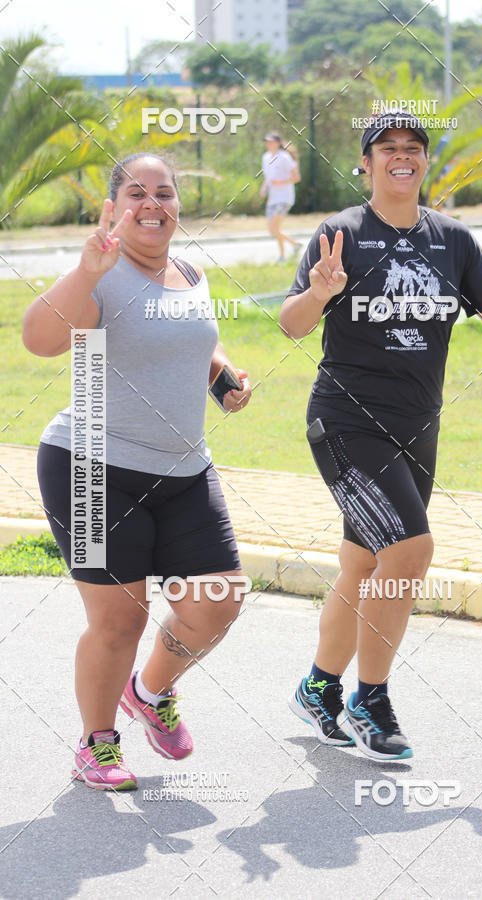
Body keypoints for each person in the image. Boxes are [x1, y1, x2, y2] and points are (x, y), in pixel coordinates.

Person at [280, 114, 482, 761]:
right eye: (387, 148)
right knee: (409, 550)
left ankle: (318, 688)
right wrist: (319, 292)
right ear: (366, 163)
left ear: (425, 162)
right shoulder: (340, 234)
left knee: (364, 563)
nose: (402, 157)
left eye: (413, 148)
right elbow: (291, 324)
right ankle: (369, 701)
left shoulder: (452, 239)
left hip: (417, 426)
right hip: (346, 423)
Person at [22, 152, 252, 791]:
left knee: (219, 599)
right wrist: (84, 272)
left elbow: (198, 340)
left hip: (183, 469)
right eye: (137, 193)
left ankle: (149, 690)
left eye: (165, 192)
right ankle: (97, 743)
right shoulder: (101, 274)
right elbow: (39, 339)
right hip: (93, 468)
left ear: (178, 204)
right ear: (115, 206)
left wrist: (223, 380)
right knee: (120, 619)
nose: (153, 203)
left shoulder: (190, 271)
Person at [260, 131, 302, 262]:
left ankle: (282, 256)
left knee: (276, 228)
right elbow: (268, 177)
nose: (268, 144)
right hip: (272, 199)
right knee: (272, 231)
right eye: (267, 142)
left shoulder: (284, 157)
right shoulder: (265, 157)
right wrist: (264, 188)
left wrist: (280, 183)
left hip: (284, 198)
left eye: (271, 142)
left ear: (277, 143)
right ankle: (295, 244)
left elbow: (296, 177)